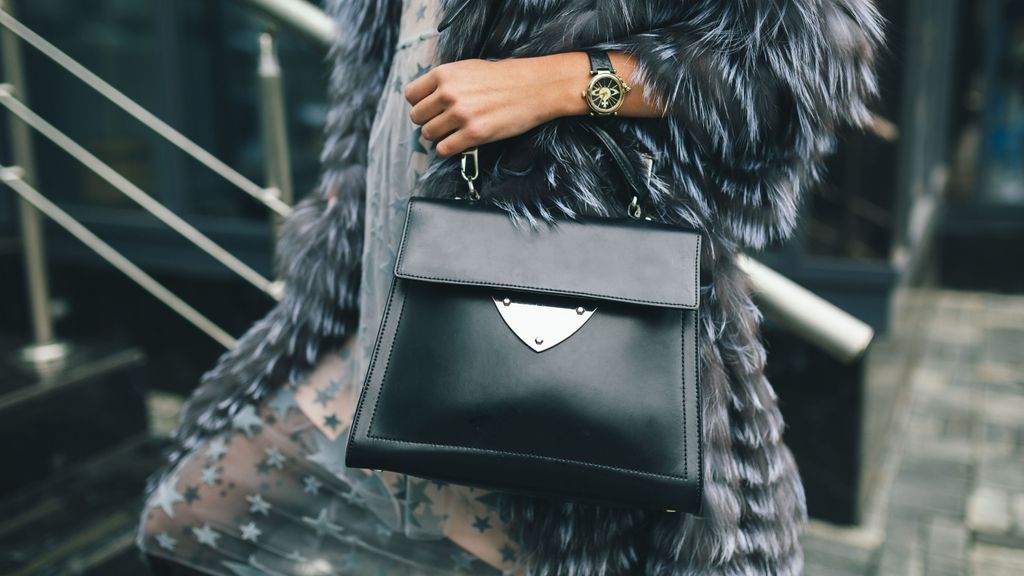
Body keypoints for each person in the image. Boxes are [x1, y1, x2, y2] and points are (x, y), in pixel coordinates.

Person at [138, 0, 883, 574]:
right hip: (380, 303)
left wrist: (561, 81)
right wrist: (351, 186)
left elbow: (795, 70)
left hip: (554, 342)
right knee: (189, 515)